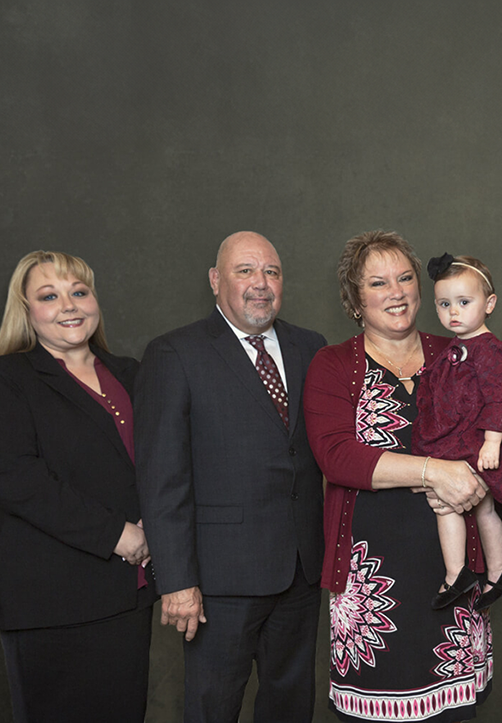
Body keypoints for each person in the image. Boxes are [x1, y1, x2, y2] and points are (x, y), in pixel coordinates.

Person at [134, 231, 328, 723]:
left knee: (290, 707)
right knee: (213, 708)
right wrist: (177, 580)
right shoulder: (174, 354)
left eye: (271, 272)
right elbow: (162, 477)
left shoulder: (311, 347)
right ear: (216, 280)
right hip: (219, 580)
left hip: (301, 570)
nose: (260, 283)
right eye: (245, 271)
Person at [304, 231, 495, 722]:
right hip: (371, 592)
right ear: (355, 299)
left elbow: (499, 427)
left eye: (406, 277)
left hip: (451, 579)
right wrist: (436, 471)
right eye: (378, 282)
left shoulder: (458, 352)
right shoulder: (332, 365)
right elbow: (337, 456)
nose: (396, 291)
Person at [0, 250, 153, 723]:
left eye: (79, 292)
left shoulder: (131, 373)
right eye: (49, 296)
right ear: (27, 310)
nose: (69, 305)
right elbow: (17, 480)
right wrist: (120, 535)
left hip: (126, 593)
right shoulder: (6, 378)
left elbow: (161, 465)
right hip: (48, 597)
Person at [415, 253, 502, 611]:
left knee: (457, 508)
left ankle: (463, 574)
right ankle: (492, 573)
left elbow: (501, 399)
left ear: (489, 304)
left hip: (479, 444)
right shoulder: (455, 348)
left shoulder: (492, 352)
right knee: (476, 510)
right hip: (459, 440)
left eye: (464, 303)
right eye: (444, 304)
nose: (454, 312)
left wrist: (492, 443)